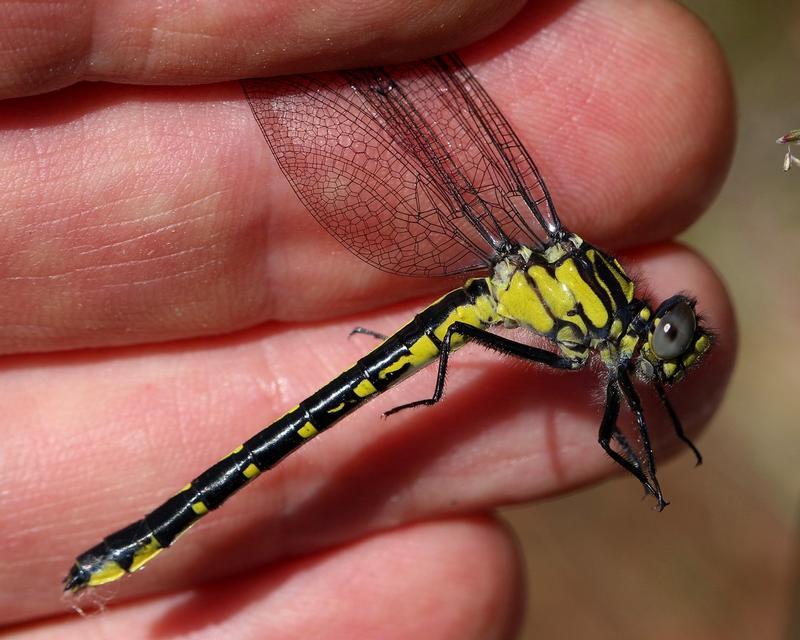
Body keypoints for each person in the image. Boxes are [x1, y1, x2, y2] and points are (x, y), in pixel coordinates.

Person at [0, 1, 735, 637]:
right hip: (475, 305)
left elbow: (625, 412)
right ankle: (133, 546)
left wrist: (654, 443)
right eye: (670, 331)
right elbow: (615, 426)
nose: (671, 335)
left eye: (669, 332)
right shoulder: (602, 329)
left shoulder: (602, 327)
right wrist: (649, 463)